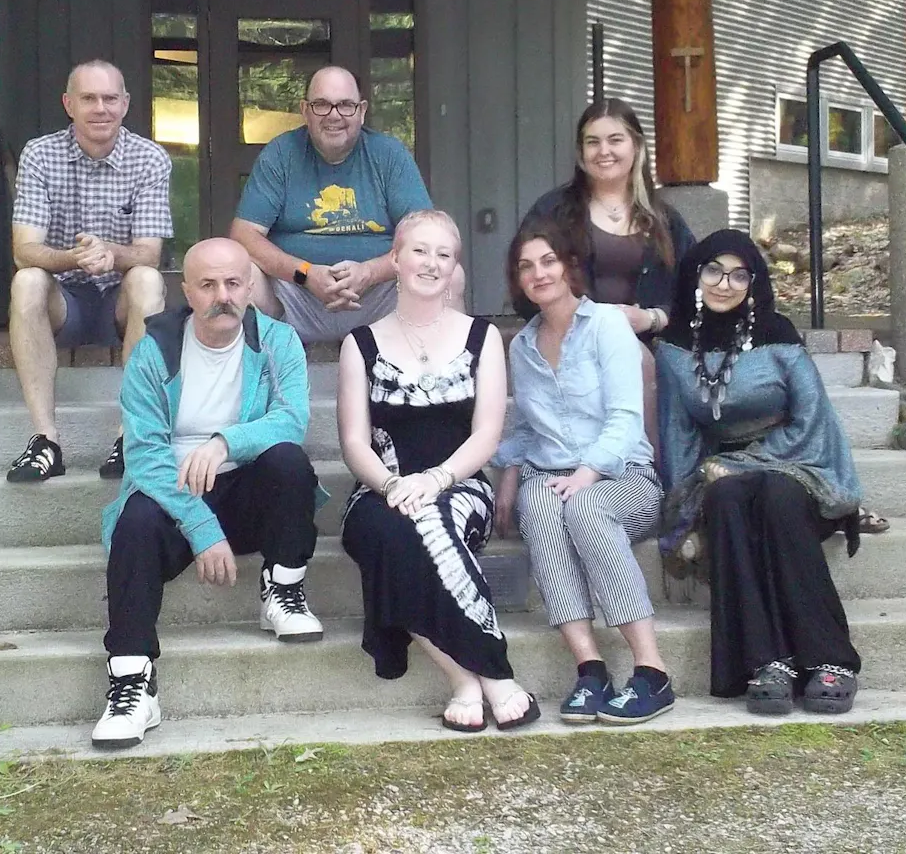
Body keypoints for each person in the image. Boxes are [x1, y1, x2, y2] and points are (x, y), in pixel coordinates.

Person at [91, 238, 324, 749]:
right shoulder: (154, 351)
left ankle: (282, 589)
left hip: (246, 491)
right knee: (134, 524)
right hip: (173, 492)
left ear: (251, 286)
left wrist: (224, 444)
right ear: (187, 292)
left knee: (288, 462)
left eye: (234, 283)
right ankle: (132, 681)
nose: (224, 295)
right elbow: (146, 455)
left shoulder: (278, 342)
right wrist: (201, 527)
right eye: (209, 284)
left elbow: (292, 420)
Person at [337, 210, 537, 732]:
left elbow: (487, 435)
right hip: (381, 488)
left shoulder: (484, 337)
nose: (431, 263)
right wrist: (391, 484)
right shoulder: (359, 343)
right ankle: (479, 675)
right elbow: (354, 441)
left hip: (461, 483)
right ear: (396, 261)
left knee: (431, 520)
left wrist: (436, 480)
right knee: (389, 529)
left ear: (454, 270)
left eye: (443, 255)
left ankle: (474, 678)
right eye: (419, 251)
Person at [654, 229, 864, 717]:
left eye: (739, 274)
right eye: (713, 271)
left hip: (796, 460)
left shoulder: (778, 334)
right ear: (695, 275)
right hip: (723, 472)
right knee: (726, 500)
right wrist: (685, 499)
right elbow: (678, 430)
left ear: (753, 281)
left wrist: (744, 462)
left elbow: (812, 418)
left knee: (775, 495)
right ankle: (764, 662)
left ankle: (830, 659)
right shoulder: (673, 346)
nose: (725, 284)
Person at [493, 220, 676, 725]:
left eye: (548, 261)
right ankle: (590, 669)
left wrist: (589, 472)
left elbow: (625, 417)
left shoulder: (607, 326)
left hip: (624, 476)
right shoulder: (522, 346)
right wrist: (509, 469)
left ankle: (652, 670)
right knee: (540, 504)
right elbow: (530, 426)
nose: (538, 273)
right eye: (526, 266)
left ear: (569, 267)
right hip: (554, 477)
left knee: (585, 506)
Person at [7, 60, 171, 484]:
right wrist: (76, 258)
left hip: (121, 302)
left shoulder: (149, 158)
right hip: (67, 302)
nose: (101, 108)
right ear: (68, 104)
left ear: (125, 104)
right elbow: (24, 250)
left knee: (148, 279)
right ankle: (45, 439)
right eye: (89, 98)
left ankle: (128, 436)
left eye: (110, 98)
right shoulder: (40, 154)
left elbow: (150, 253)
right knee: (26, 281)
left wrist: (109, 253)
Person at [230, 65, 459, 345]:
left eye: (346, 105)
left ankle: (443, 380)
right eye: (321, 105)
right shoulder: (281, 154)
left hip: (379, 299)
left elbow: (427, 236)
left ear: (362, 111)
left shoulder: (388, 154)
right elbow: (244, 235)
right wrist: (305, 273)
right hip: (295, 298)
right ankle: (252, 383)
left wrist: (369, 272)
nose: (334, 115)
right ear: (305, 110)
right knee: (237, 272)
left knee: (451, 276)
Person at [518, 99, 694, 448]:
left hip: (649, 342)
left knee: (640, 357)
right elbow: (523, 280)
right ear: (581, 151)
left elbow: (696, 295)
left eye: (616, 139)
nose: (604, 151)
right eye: (592, 141)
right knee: (631, 356)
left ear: (636, 146)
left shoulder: (665, 220)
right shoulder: (552, 212)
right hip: (569, 343)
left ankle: (653, 473)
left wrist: (652, 318)